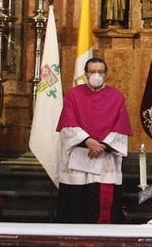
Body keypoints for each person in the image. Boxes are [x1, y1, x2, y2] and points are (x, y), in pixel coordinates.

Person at [55, 58, 132, 224]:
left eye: (100, 72)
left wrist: (102, 146)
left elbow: (121, 126)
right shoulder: (74, 94)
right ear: (85, 74)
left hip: (104, 161)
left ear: (106, 74)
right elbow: (68, 123)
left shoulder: (116, 96)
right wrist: (88, 141)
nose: (96, 75)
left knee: (102, 209)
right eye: (92, 71)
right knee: (76, 210)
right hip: (78, 160)